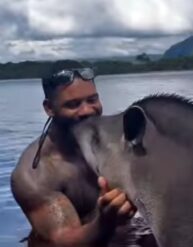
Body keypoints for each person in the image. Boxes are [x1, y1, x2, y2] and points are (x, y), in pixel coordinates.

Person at [11, 61, 158, 247]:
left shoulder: (117, 140)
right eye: (73, 105)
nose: (87, 110)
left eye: (92, 100)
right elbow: (63, 240)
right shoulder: (36, 173)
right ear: (49, 108)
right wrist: (105, 222)